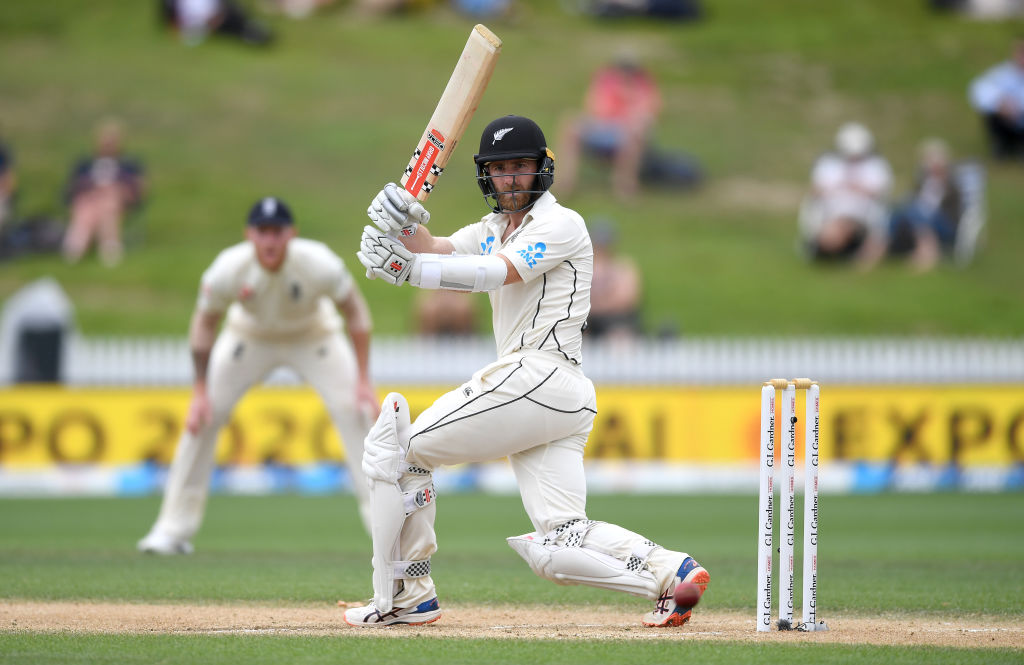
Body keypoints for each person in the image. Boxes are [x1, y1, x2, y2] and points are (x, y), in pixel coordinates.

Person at [348, 115, 708, 627]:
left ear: (542, 170)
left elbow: (498, 271)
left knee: (398, 450)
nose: (511, 178)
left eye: (520, 167)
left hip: (537, 375)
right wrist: (402, 223)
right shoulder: (492, 229)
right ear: (486, 177)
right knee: (561, 542)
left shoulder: (561, 224)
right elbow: (434, 248)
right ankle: (673, 573)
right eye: (500, 169)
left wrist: (410, 270)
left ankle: (407, 593)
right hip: (556, 398)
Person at [137, 196, 378, 554]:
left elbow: (356, 313)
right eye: (262, 232)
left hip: (314, 335)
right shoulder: (228, 268)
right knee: (202, 419)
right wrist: (200, 391)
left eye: (277, 232)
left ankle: (385, 532)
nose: (270, 241)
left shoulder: (319, 262)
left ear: (291, 234)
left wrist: (363, 381)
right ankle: (172, 530)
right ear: (250, 234)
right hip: (249, 337)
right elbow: (204, 324)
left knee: (357, 413)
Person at [557, 52, 663, 200]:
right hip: (604, 128)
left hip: (629, 132)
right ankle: (565, 184)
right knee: (571, 123)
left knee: (634, 131)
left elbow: (649, 112)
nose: (626, 73)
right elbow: (596, 109)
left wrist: (629, 99)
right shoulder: (606, 80)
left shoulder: (643, 84)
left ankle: (625, 187)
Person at [798, 122, 893, 267]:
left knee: (842, 227)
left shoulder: (876, 165)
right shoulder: (828, 164)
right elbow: (816, 190)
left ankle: (864, 251)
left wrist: (855, 187)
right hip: (832, 212)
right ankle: (827, 245)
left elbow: (880, 192)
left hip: (862, 215)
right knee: (830, 225)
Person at [62, 119, 146, 267]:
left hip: (116, 202)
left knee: (108, 205)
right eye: (106, 140)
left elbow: (138, 190)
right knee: (86, 210)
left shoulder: (128, 165)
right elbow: (71, 190)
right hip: (89, 201)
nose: (108, 144)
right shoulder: (85, 164)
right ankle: (75, 250)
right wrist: (92, 192)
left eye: (112, 141)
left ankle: (109, 250)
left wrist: (116, 191)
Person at [887, 139, 965, 272]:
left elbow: (952, 212)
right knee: (896, 215)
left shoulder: (952, 186)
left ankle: (928, 255)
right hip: (918, 220)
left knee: (917, 212)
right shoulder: (922, 183)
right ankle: (877, 253)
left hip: (944, 224)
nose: (932, 166)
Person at [586, 220, 642, 340]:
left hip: (616, 320)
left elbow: (626, 300)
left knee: (619, 337)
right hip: (586, 320)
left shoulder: (623, 266)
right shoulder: (583, 267)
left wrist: (594, 304)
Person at [969, 39, 1024, 160]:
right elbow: (979, 89)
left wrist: (1018, 107)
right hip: (1005, 121)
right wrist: (1000, 103)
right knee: (990, 112)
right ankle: (1001, 146)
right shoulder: (1003, 73)